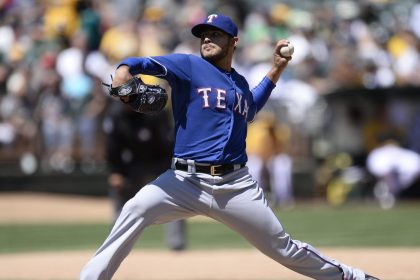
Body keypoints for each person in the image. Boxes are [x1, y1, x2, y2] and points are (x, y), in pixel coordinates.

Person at [81, 14, 380, 280]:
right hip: (184, 181)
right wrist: (123, 69)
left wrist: (275, 70)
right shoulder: (189, 66)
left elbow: (250, 107)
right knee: (135, 208)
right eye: (204, 35)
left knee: (282, 247)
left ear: (234, 42)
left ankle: (351, 277)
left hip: (235, 185)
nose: (207, 39)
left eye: (216, 34)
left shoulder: (238, 83)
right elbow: (145, 63)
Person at [103, 100, 187, 250]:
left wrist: (172, 170)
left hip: (160, 161)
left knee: (175, 198)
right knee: (121, 197)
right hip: (132, 163)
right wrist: (116, 171)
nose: (126, 103)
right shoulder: (115, 114)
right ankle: (115, 243)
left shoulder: (154, 110)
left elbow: (168, 143)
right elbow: (112, 147)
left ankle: (177, 243)